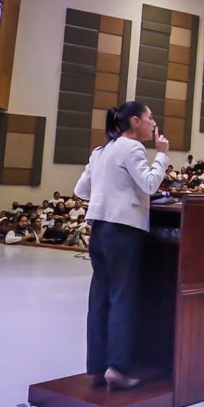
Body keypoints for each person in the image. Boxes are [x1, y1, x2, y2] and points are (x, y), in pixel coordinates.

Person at [74, 101, 169, 391]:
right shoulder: (132, 148)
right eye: (150, 117)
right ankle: (118, 368)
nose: (154, 122)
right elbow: (150, 184)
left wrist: (112, 190)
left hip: (99, 229)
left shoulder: (100, 151)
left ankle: (97, 367)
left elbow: (81, 191)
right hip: (123, 230)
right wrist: (162, 155)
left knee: (99, 299)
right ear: (135, 121)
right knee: (122, 299)